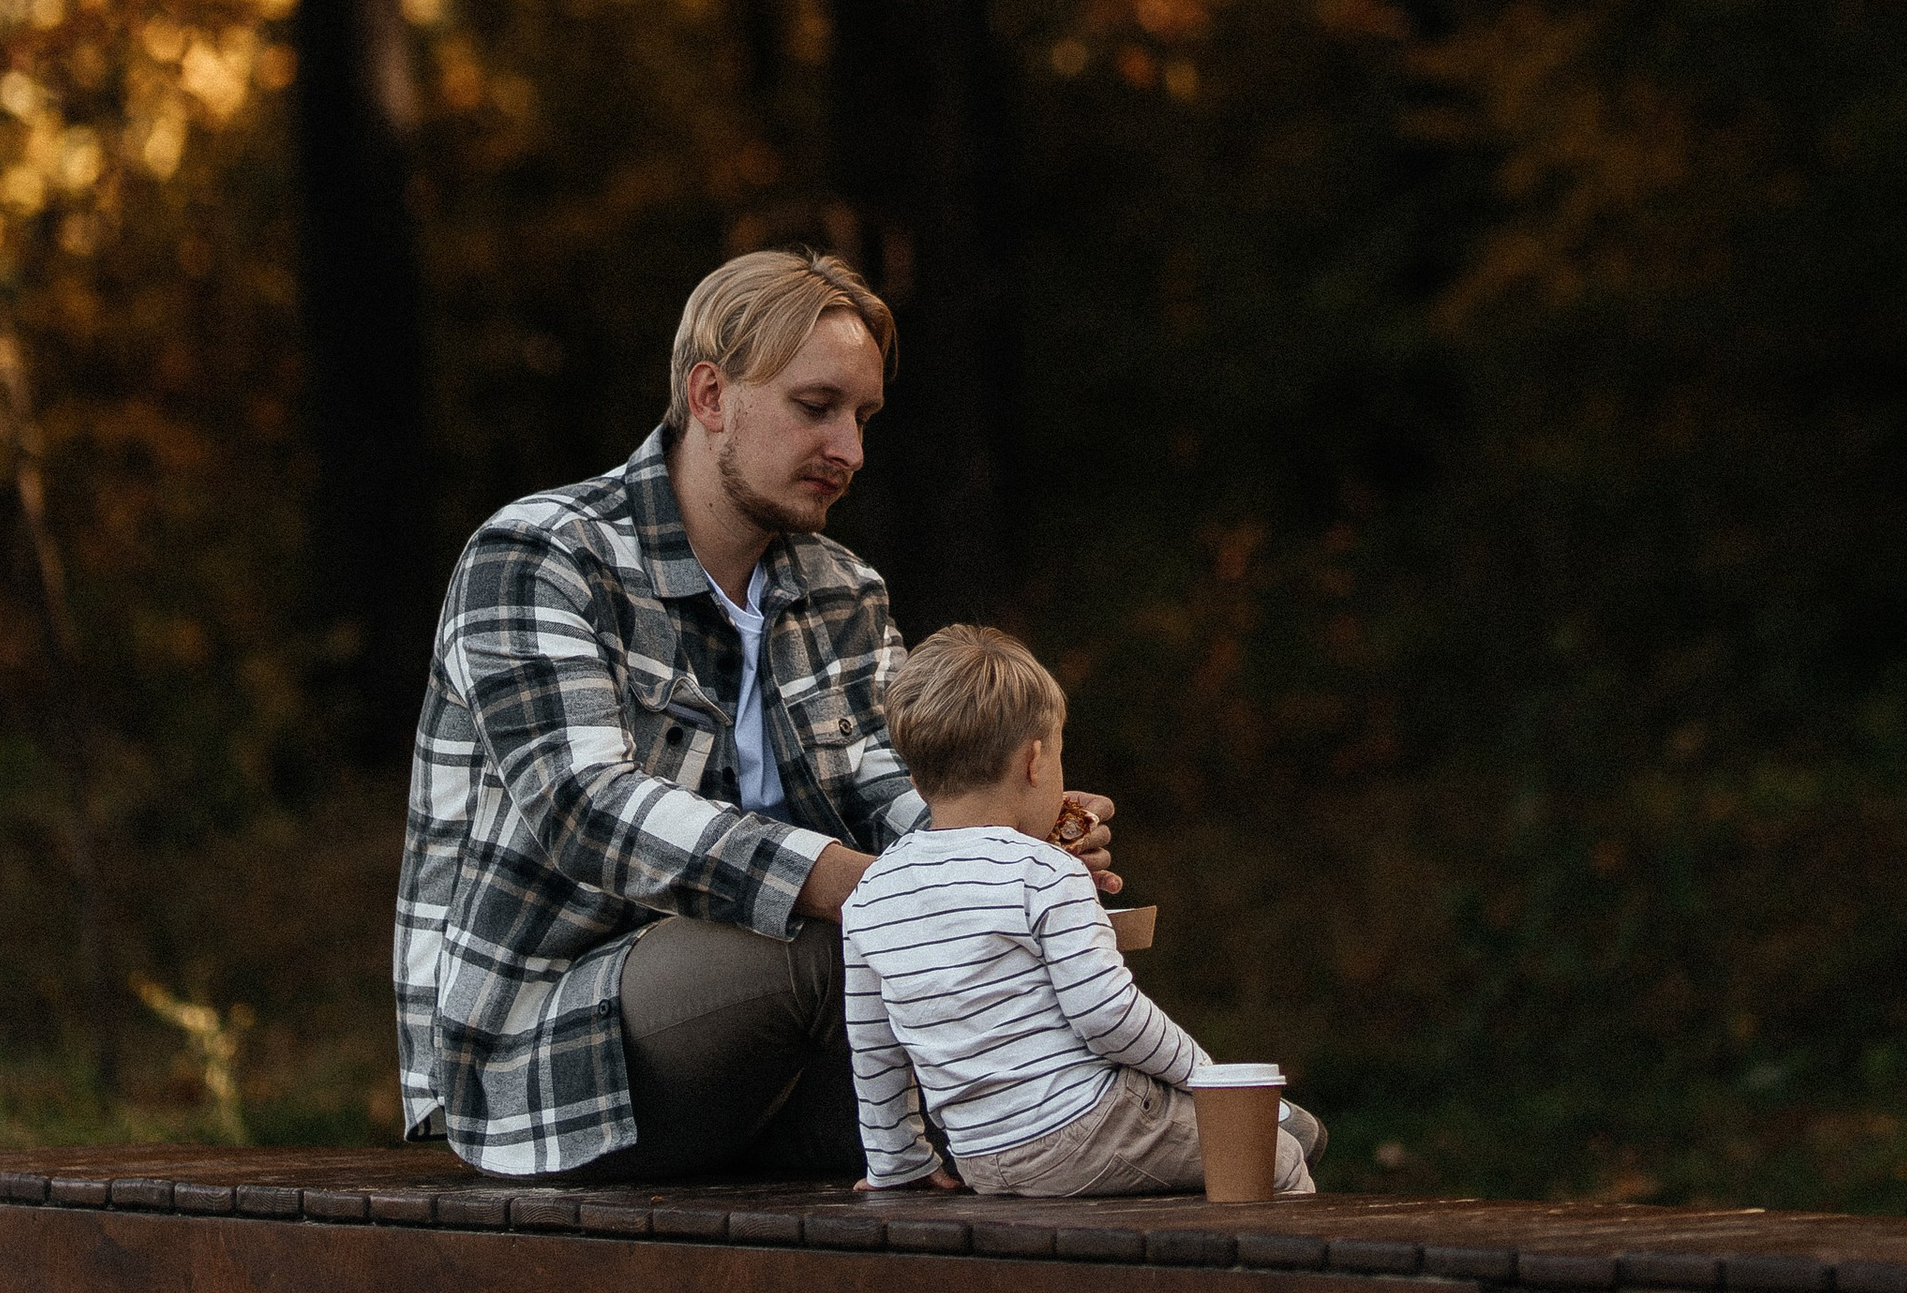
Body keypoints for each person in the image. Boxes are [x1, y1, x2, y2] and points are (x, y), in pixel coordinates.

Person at [394, 248, 1119, 1179]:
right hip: (556, 1050)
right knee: (838, 943)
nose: (850, 451)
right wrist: (869, 886)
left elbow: (905, 796)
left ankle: (1186, 1140)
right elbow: (586, 808)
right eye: (817, 407)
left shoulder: (844, 591)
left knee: (1048, 939)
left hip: (786, 1058)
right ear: (710, 396)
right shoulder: (541, 556)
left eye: (863, 418)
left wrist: (1012, 841)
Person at [842, 623, 1321, 1200]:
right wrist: (1207, 1077)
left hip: (979, 1156)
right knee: (1273, 1154)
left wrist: (896, 1162)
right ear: (1035, 761)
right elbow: (1108, 1017)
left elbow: (873, 1044)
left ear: (917, 778)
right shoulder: (1043, 871)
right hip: (1084, 1127)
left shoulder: (871, 891)